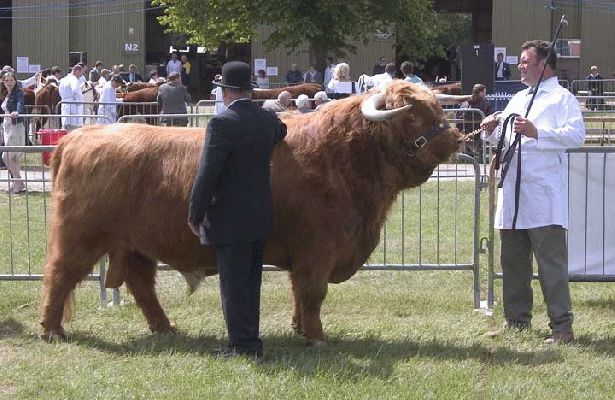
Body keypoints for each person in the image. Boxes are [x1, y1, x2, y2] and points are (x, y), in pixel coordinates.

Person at [481, 40, 585, 344]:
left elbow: (577, 135)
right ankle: (516, 322)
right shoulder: (518, 97)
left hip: (543, 196)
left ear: (544, 65)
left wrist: (538, 131)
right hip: (513, 194)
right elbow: (503, 136)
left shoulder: (562, 98)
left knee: (550, 264)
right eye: (521, 62)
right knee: (512, 262)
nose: (520, 66)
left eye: (526, 62)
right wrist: (491, 129)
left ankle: (562, 327)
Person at [188, 61, 287, 359]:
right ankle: (249, 340)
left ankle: (242, 345)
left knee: (233, 284)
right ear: (248, 90)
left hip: (229, 218)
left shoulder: (222, 123)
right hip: (259, 214)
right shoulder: (266, 120)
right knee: (250, 282)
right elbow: (282, 130)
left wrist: (195, 212)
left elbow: (207, 174)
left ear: (227, 92)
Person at [1, 73, 26, 193]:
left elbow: (20, 103)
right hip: (7, 127)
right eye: (7, 80)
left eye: (11, 80)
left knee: (7, 156)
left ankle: (18, 182)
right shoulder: (7, 94)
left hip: (15, 127)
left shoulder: (18, 92)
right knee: (13, 158)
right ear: (3, 82)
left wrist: (17, 111)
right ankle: (17, 184)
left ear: (15, 81)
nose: (9, 82)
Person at [457, 83, 493, 158]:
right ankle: (478, 153)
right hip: (479, 133)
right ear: (480, 92)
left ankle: (467, 152)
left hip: (464, 132)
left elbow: (457, 116)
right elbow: (491, 116)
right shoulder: (485, 103)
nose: (485, 94)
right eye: (484, 92)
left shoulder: (464, 103)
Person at [58, 64, 85, 131]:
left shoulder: (63, 79)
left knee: (65, 129)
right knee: (74, 130)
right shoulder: (74, 79)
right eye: (80, 74)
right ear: (77, 71)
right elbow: (75, 90)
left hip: (64, 106)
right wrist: (80, 102)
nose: (80, 76)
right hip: (73, 108)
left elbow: (60, 91)